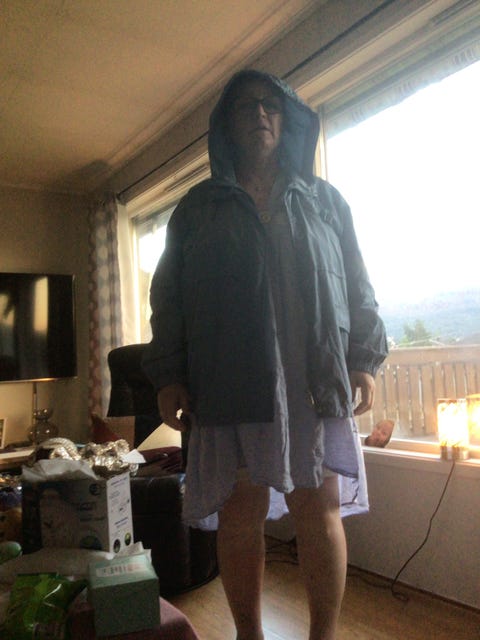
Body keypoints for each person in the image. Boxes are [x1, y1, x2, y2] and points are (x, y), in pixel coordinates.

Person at [143, 69, 388, 640]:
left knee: (318, 510)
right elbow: (169, 298)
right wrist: (169, 374)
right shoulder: (197, 208)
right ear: (225, 126)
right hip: (230, 378)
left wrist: (363, 356)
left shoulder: (326, 202)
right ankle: (249, 635)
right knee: (240, 515)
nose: (259, 114)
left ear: (288, 120)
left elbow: (357, 283)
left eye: (270, 105)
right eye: (246, 106)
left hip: (312, 379)